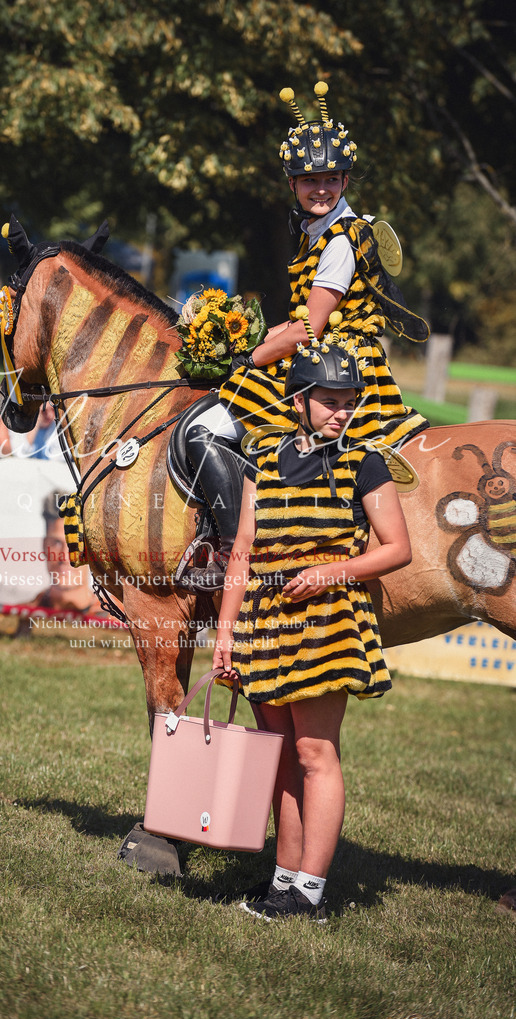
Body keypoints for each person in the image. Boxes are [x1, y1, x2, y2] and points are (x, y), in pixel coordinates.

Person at [179, 81, 427, 591]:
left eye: (331, 180)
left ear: (345, 181)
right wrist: (257, 339)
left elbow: (313, 324)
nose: (321, 189)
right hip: (323, 355)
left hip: (335, 364)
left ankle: (231, 553)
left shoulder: (340, 239)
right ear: (292, 183)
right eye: (310, 180)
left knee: (209, 429)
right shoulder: (319, 231)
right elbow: (302, 320)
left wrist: (250, 357)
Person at [212, 336, 412, 921]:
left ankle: (312, 891)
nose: (342, 410)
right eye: (329, 400)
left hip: (327, 622)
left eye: (348, 400)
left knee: (314, 752)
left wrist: (333, 571)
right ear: (299, 399)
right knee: (278, 754)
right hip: (264, 620)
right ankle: (283, 881)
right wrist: (225, 635)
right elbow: (243, 552)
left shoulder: (365, 461)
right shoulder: (262, 458)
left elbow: (397, 549)